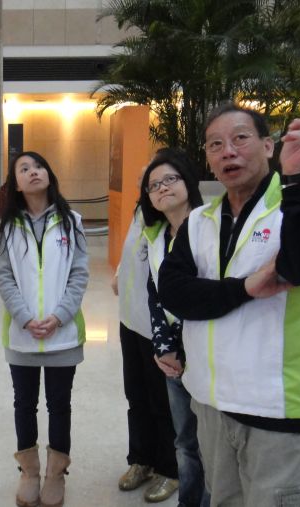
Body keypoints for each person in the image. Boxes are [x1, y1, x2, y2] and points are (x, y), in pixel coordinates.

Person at [159, 103, 300, 506]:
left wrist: (294, 178)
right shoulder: (199, 221)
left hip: (275, 410)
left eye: (240, 138)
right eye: (215, 144)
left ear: (268, 146)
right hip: (211, 406)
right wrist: (244, 288)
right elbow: (173, 293)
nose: (228, 151)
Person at [0, 151, 89, 507]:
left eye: (39, 166)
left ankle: (55, 475)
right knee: (24, 404)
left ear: (49, 175)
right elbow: (4, 276)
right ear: (16, 184)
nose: (34, 172)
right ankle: (30, 473)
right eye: (24, 169)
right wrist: (23, 317)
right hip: (22, 334)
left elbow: (79, 273)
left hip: (63, 334)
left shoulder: (72, 222)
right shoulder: (7, 227)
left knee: (60, 404)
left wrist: (60, 315)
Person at [138, 149, 210, 507]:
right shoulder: (157, 235)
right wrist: (163, 347)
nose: (162, 188)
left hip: (207, 349)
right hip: (173, 355)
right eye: (154, 185)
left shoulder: (211, 227)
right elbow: (155, 292)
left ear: (187, 182)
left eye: (170, 179)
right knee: (184, 440)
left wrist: (184, 346)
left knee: (211, 441)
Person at [111, 154, 181, 503]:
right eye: (148, 182)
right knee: (136, 396)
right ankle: (141, 459)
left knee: (161, 402)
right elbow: (133, 251)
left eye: (160, 180)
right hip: (130, 320)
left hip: (158, 328)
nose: (152, 186)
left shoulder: (175, 219)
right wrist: (119, 273)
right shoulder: (142, 211)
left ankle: (170, 469)